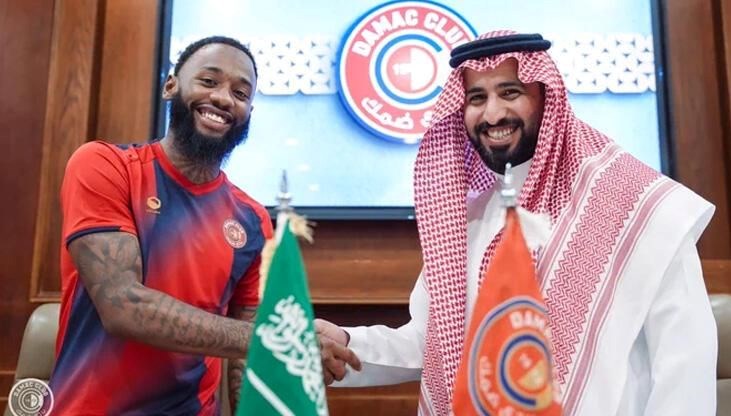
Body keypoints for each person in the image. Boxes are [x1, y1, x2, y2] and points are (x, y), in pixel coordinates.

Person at [316, 31, 717, 415]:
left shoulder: (634, 203)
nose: (492, 114)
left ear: (547, 99)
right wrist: (349, 343)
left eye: (510, 92)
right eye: (477, 98)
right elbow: (437, 343)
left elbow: (685, 360)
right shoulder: (468, 217)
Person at [48, 36, 272, 415]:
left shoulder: (252, 219)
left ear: (248, 111)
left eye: (240, 93)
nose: (223, 98)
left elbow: (243, 358)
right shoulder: (105, 166)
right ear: (171, 86)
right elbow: (122, 305)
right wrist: (273, 340)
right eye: (208, 81)